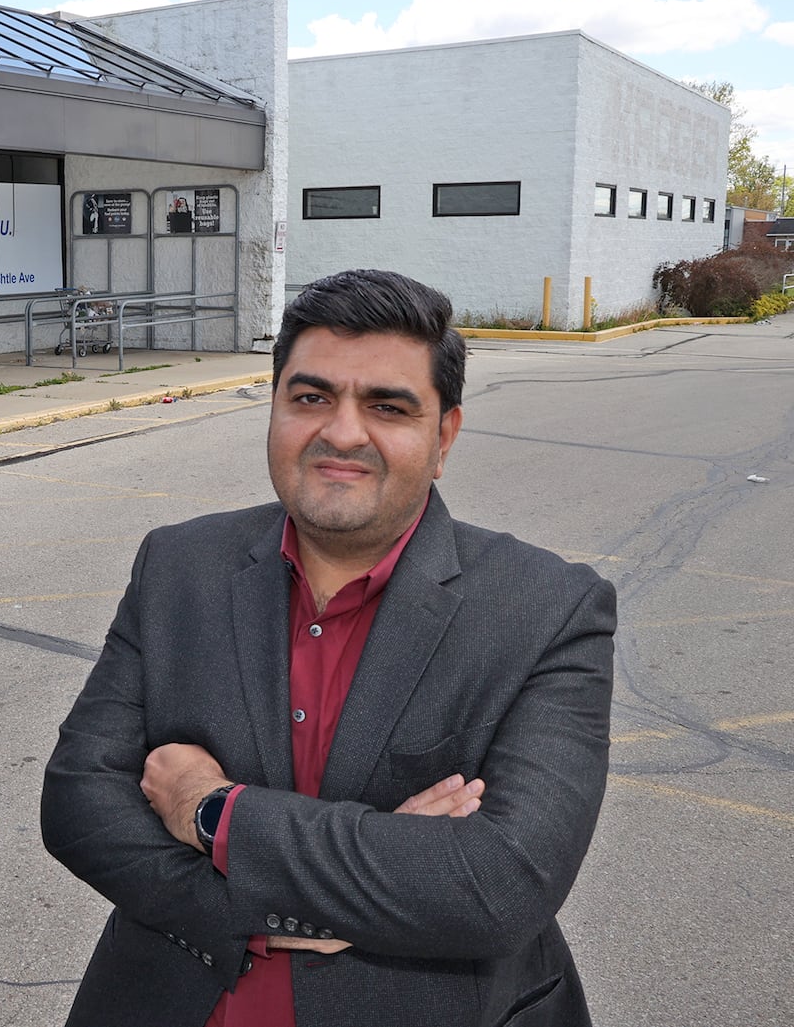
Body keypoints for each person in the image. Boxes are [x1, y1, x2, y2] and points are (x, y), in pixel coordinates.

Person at [41, 268, 615, 1027]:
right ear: (274, 407)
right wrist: (303, 902)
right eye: (310, 398)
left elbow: (500, 883)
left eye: (387, 406)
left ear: (443, 436)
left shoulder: (548, 607)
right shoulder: (179, 564)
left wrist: (215, 813)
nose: (342, 432)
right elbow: (79, 799)